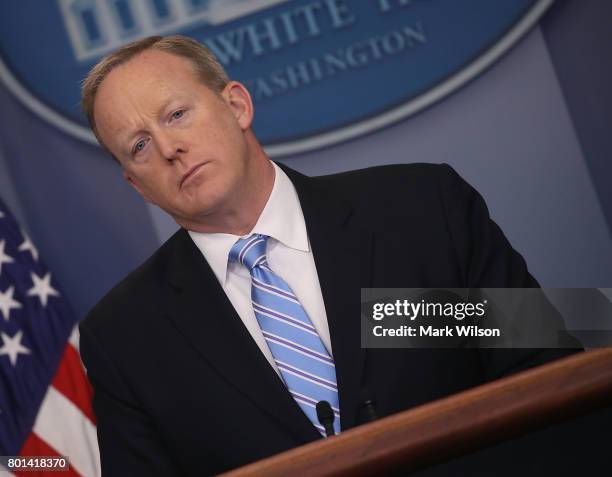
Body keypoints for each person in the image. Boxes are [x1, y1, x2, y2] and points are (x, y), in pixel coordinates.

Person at [79, 35, 576, 476]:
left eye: (177, 114)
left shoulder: (424, 209)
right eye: (139, 146)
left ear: (236, 106)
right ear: (135, 184)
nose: (169, 147)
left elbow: (555, 379)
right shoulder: (124, 335)